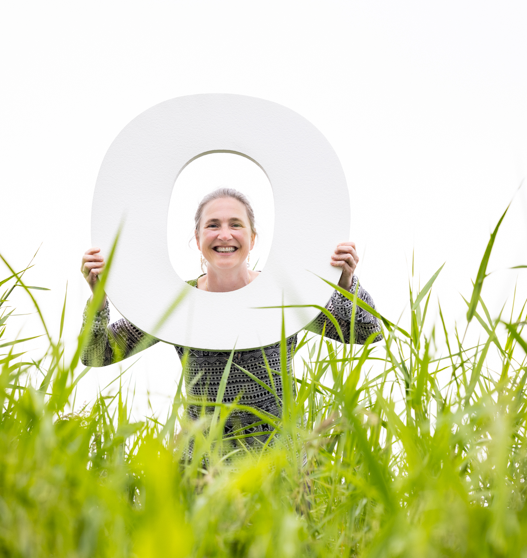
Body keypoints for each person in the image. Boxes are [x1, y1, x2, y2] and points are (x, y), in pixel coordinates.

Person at [79, 187, 382, 459]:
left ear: (252, 239)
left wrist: (346, 283)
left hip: (280, 466)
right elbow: (96, 354)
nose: (224, 235)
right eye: (213, 226)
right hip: (202, 470)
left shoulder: (283, 295)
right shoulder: (177, 301)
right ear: (197, 240)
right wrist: (99, 299)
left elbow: (367, 332)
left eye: (236, 225)